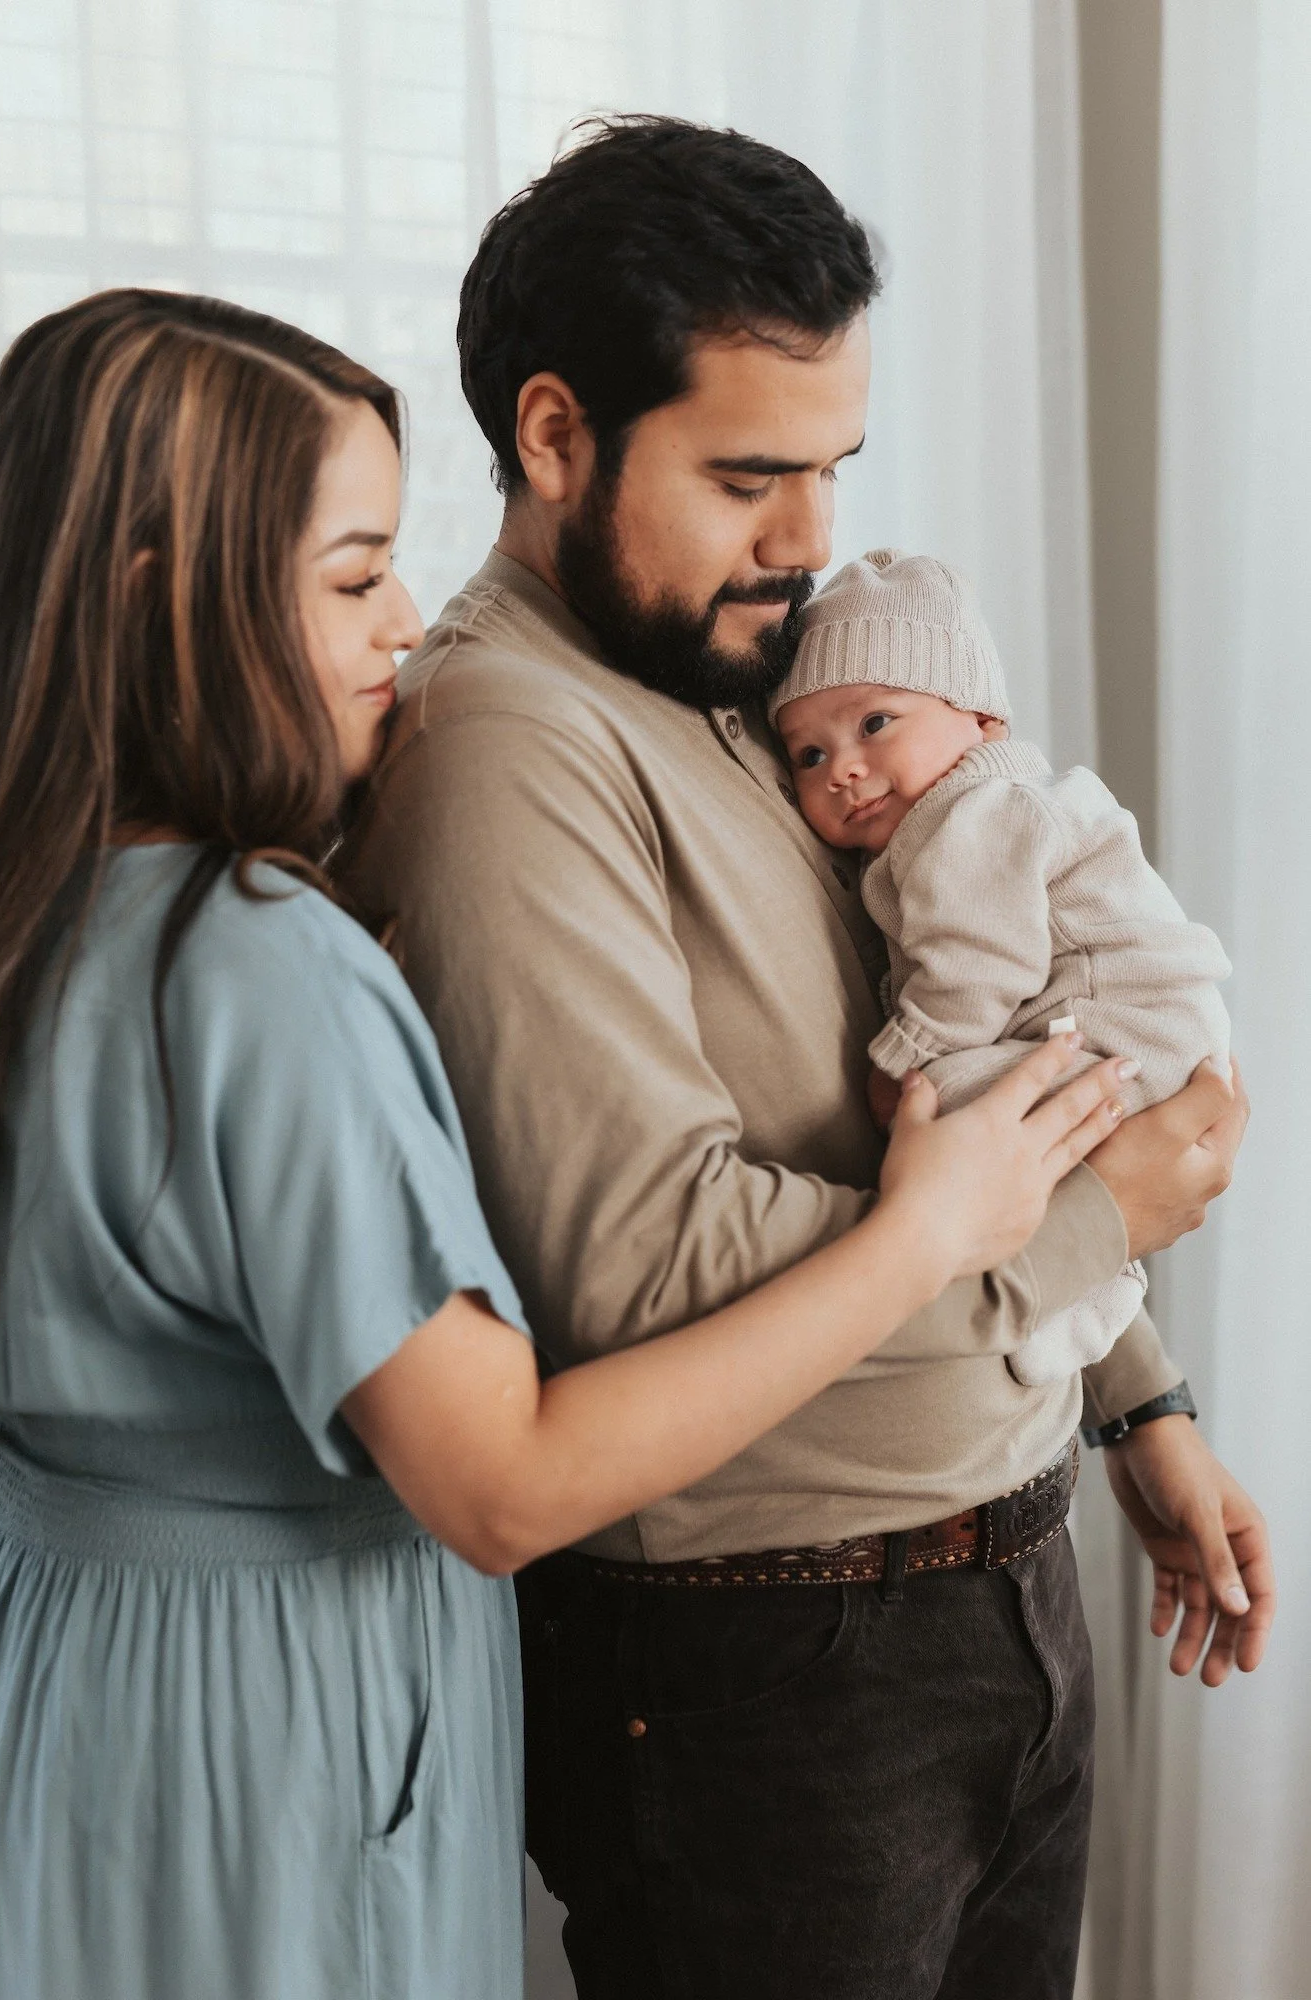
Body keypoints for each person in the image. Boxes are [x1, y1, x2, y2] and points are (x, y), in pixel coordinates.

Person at [0, 292, 1128, 2000]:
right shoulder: (261, 965)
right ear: (168, 601)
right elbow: (503, 1477)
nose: (401, 630)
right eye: (355, 577)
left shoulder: (39, 922)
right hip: (266, 1738)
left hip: (68, 1686)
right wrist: (923, 1233)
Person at [344, 117, 1271, 2000]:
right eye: (750, 475)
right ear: (552, 436)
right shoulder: (508, 746)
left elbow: (968, 1047)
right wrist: (1099, 1229)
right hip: (775, 1678)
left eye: (833, 470)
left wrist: (1134, 1404)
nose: (809, 542)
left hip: (1002, 1589)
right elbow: (643, 1269)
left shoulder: (744, 667)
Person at [770, 546, 1233, 1386]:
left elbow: (978, 968)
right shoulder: (965, 810)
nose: (842, 767)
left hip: (1127, 1031)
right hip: (1140, 1033)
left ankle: (1087, 1296)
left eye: (876, 723)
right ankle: (1093, 1278)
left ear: (983, 719)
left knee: (936, 1106)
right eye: (807, 755)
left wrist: (900, 1061)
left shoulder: (971, 818)